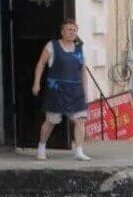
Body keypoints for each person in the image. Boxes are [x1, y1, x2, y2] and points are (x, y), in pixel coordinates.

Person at [32, 20, 90, 161]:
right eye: (69, 29)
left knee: (80, 120)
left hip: (75, 91)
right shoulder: (52, 46)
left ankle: (79, 151)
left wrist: (85, 91)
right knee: (51, 121)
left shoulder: (81, 49)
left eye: (74, 30)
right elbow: (41, 64)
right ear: (62, 32)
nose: (72, 32)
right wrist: (36, 83)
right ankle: (41, 148)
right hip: (57, 90)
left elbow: (83, 71)